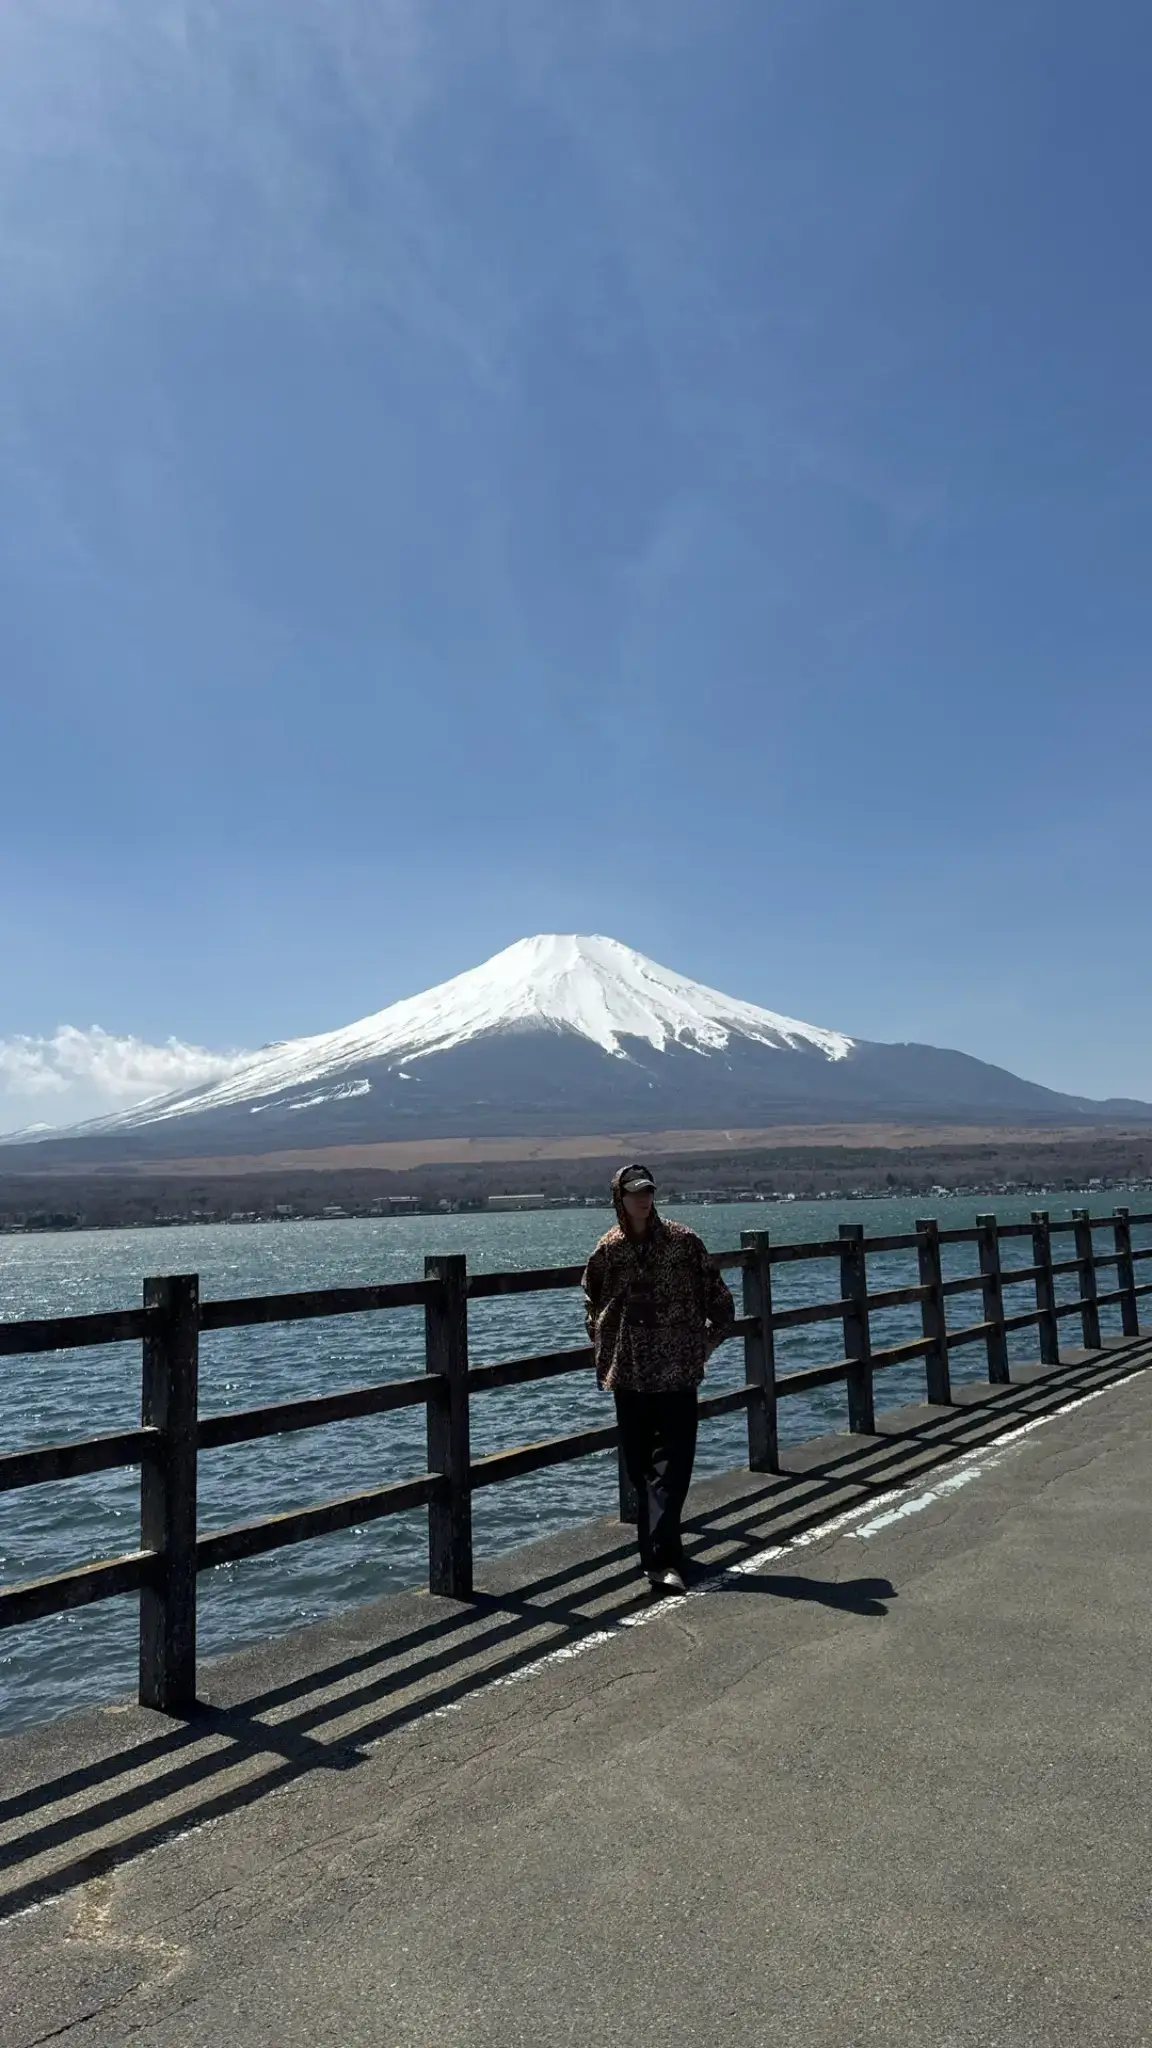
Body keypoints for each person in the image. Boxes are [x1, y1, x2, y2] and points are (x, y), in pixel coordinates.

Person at [582, 1163, 735, 1593]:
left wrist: (704, 1344)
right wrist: (604, 1343)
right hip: (629, 1374)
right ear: (619, 1199)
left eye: (648, 1192)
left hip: (676, 1373)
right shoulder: (609, 1250)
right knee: (639, 1466)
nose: (643, 1199)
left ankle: (662, 1561)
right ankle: (663, 1553)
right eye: (633, 1193)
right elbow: (590, 1301)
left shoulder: (683, 1243)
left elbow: (720, 1301)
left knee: (673, 1467)